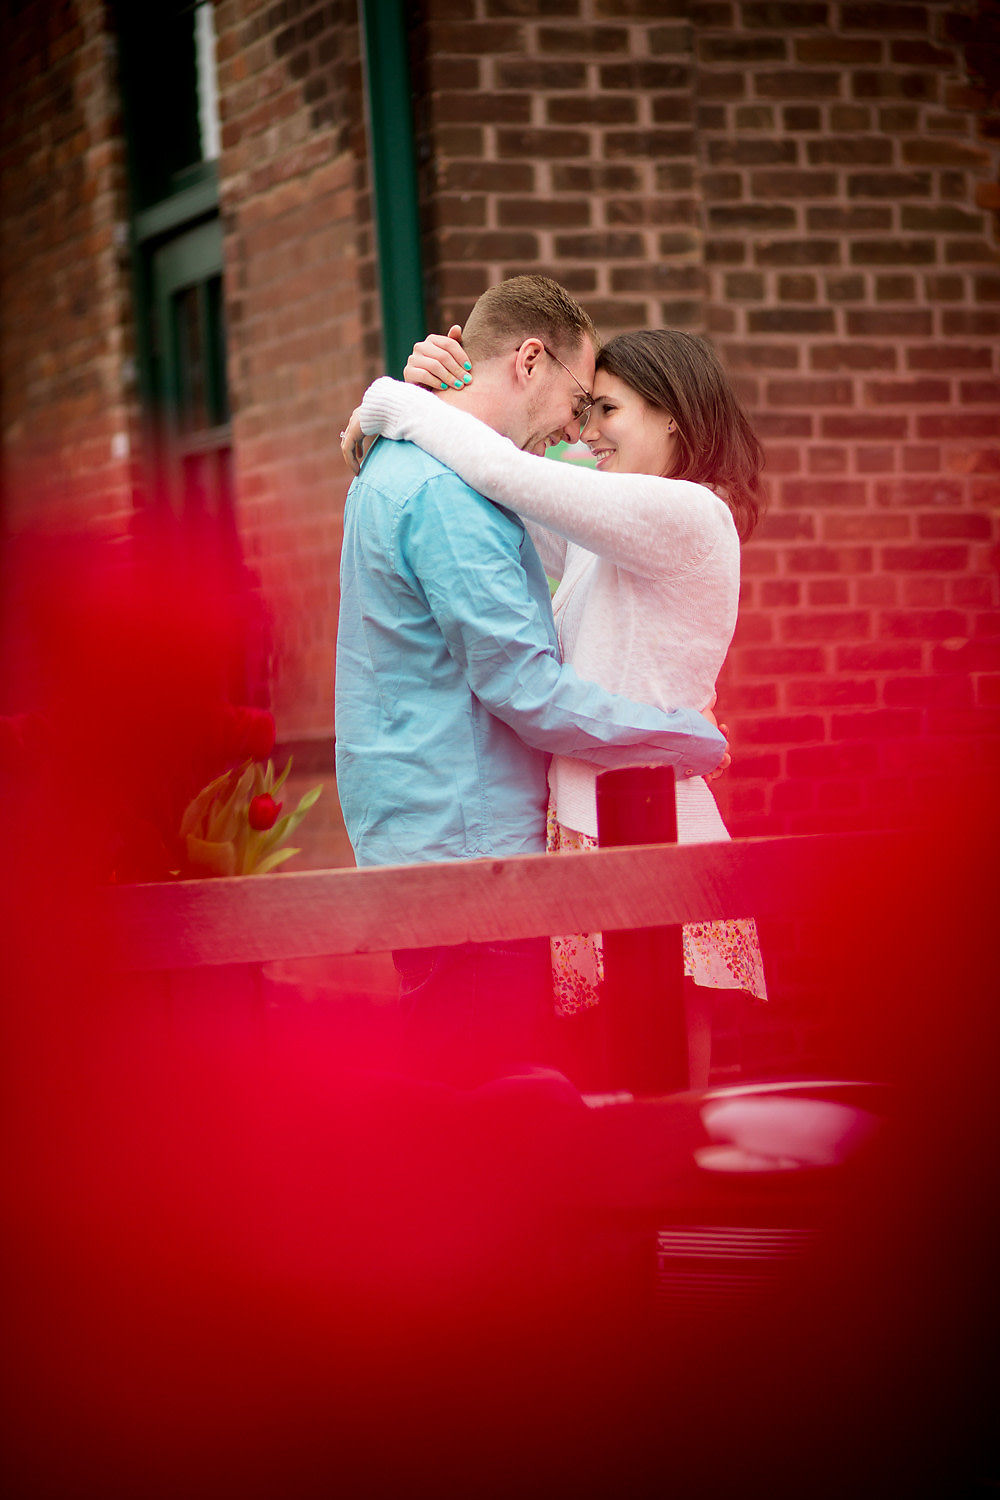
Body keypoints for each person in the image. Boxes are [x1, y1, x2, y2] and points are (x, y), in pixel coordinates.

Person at [342, 321, 767, 1084]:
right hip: (585, 831)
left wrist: (385, 402)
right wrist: (432, 389)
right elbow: (489, 477)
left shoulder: (690, 513)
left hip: (650, 831)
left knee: (660, 1097)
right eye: (586, 409)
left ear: (673, 414)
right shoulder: (602, 533)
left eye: (608, 411)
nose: (586, 431)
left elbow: (508, 476)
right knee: (600, 1099)